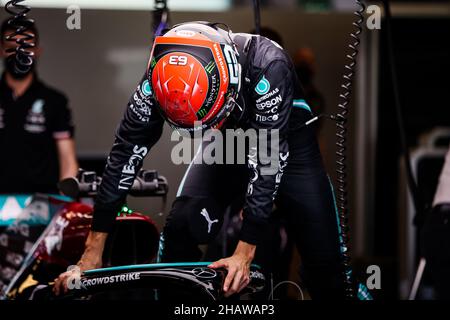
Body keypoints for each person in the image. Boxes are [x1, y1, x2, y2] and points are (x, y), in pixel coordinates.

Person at [54, 22, 346, 299]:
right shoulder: (158, 78)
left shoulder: (269, 64)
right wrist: (92, 251)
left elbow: (268, 161)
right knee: (181, 227)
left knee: (327, 268)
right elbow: (124, 155)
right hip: (224, 143)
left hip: (288, 146)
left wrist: (244, 254)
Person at [0, 18, 78, 194]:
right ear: (1, 50)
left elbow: (68, 160)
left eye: (26, 46)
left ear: (37, 50)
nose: (19, 53)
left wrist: (66, 204)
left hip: (42, 206)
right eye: (12, 45)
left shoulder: (55, 101)